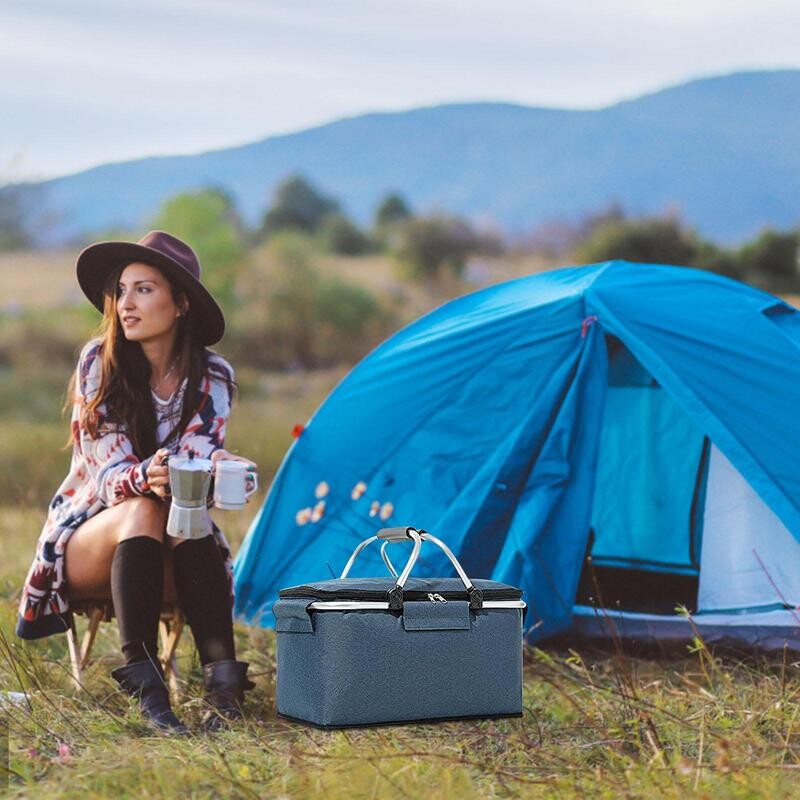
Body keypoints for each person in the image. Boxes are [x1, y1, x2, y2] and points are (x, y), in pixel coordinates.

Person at [16, 230, 256, 734]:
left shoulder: (213, 376)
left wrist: (222, 470)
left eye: (144, 289)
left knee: (185, 516)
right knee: (147, 507)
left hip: (173, 545)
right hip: (90, 537)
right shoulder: (97, 363)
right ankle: (147, 693)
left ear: (181, 303)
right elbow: (107, 475)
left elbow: (198, 461)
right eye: (121, 290)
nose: (126, 304)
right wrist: (150, 475)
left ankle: (224, 689)